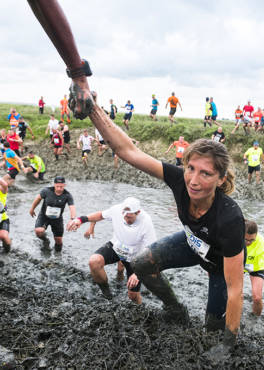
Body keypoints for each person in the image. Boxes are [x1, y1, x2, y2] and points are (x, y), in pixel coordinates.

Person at [28, 2, 245, 356]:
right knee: (143, 264)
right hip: (193, 244)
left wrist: (229, 344)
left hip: (220, 264)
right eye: (191, 168)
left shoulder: (230, 217)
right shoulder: (179, 179)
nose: (194, 179)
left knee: (213, 329)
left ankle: (225, 338)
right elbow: (129, 151)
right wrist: (94, 109)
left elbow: (237, 288)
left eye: (206, 174)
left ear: (220, 179)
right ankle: (175, 309)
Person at [69, 197, 157, 303]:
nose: (126, 219)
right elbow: (100, 215)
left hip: (136, 257)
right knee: (94, 262)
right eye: (124, 216)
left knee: (133, 296)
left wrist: (138, 273)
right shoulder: (117, 210)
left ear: (137, 212)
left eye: (129, 217)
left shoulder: (146, 221)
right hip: (117, 246)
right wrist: (80, 220)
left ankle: (139, 308)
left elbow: (151, 249)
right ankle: (107, 293)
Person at [29, 176, 76, 251]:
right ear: (54, 185)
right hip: (44, 216)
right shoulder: (46, 191)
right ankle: (45, 240)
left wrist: (72, 219)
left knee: (58, 241)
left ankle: (58, 256)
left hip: (57, 219)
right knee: (39, 231)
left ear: (64, 185)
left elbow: (72, 207)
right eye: (57, 186)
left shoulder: (67, 195)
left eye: (61, 186)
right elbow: (38, 199)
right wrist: (32, 209)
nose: (59, 188)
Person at [0, 178, 11, 253]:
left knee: (3, 236)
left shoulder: (2, 192)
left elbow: (5, 185)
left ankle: (7, 250)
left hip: (3, 219)